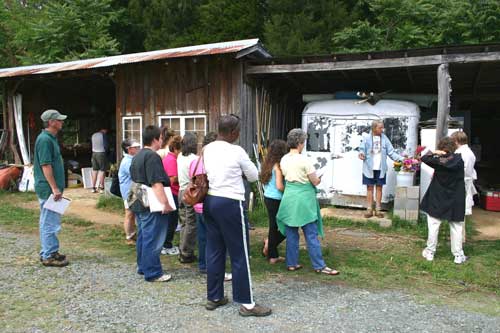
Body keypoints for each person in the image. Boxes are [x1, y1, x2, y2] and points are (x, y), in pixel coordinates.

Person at [203, 114, 271, 317]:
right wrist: (238, 172)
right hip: (231, 202)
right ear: (232, 132)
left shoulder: (208, 148)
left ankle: (214, 297)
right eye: (238, 130)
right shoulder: (237, 151)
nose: (239, 134)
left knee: (214, 250)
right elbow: (252, 176)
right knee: (240, 253)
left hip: (210, 200)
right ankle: (247, 303)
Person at [277, 128, 339, 276]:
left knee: (292, 233)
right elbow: (315, 181)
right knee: (310, 233)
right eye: (303, 142)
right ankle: (319, 265)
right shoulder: (304, 160)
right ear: (299, 143)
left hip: (289, 197)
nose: (303, 144)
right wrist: (319, 179)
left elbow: (285, 176)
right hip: (303, 198)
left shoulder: (284, 159)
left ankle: (291, 263)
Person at [129, 125, 174, 282]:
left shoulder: (137, 155)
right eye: (161, 137)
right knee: (153, 238)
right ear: (156, 139)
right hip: (151, 203)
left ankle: (143, 266)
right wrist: (165, 203)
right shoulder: (152, 157)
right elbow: (156, 183)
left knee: (143, 235)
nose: (162, 140)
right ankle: (153, 272)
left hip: (139, 201)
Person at [420, 137, 468, 264]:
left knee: (434, 224)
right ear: (454, 147)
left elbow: (424, 158)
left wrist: (436, 152)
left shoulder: (436, 161)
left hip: (438, 197)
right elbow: (451, 160)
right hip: (455, 197)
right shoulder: (459, 159)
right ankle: (458, 255)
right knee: (456, 227)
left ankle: (430, 252)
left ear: (441, 148)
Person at [34, 109, 69, 267]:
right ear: (51, 122)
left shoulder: (50, 138)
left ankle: (49, 251)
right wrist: (54, 188)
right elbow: (45, 165)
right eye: (59, 120)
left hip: (50, 188)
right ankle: (49, 255)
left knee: (48, 220)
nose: (61, 122)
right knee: (50, 222)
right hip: (49, 189)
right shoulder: (45, 140)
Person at [358, 120, 403, 218]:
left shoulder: (385, 139)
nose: (382, 129)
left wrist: (403, 159)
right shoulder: (366, 138)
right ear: (374, 128)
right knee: (369, 188)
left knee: (379, 188)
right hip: (368, 168)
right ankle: (369, 209)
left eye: (382, 127)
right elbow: (361, 150)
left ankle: (378, 209)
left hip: (381, 168)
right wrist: (361, 154)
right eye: (380, 128)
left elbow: (391, 152)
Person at [189, 132, 218, 273]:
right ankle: (212, 264)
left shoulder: (196, 161)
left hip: (197, 203)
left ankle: (202, 264)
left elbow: (191, 178)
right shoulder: (213, 161)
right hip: (210, 202)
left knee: (202, 237)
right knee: (214, 236)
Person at [260, 139, 288, 264]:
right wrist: (289, 191)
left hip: (268, 197)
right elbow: (279, 186)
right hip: (277, 199)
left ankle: (272, 253)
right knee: (286, 228)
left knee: (273, 226)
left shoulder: (267, 164)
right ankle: (270, 248)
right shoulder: (278, 166)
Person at [451, 131, 478, 242]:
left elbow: (459, 170)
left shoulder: (461, 153)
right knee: (460, 213)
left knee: (458, 214)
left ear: (456, 141)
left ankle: (459, 240)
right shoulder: (469, 152)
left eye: (453, 140)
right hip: (465, 183)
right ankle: (460, 238)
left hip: (461, 184)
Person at [177, 132, 199, 263]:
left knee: (184, 222)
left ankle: (182, 249)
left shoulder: (180, 156)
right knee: (191, 223)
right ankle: (186, 253)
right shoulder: (194, 159)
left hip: (180, 191)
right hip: (190, 192)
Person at [161, 135, 182, 256]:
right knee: (172, 221)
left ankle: (166, 243)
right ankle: (166, 245)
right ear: (176, 149)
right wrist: (183, 177)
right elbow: (172, 179)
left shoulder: (167, 158)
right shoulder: (172, 160)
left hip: (170, 192)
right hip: (172, 192)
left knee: (170, 221)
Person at [118, 139, 141, 245]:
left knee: (132, 213)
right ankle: (129, 236)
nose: (138, 149)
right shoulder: (127, 162)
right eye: (135, 147)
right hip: (128, 192)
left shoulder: (132, 159)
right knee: (129, 213)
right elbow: (135, 175)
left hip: (132, 191)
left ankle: (132, 234)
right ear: (129, 149)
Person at [91, 127, 110, 193]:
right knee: (102, 170)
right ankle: (101, 188)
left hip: (94, 153)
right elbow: (106, 145)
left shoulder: (93, 135)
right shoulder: (103, 135)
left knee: (94, 170)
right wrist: (108, 152)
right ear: (103, 129)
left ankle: (93, 187)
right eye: (106, 131)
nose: (106, 132)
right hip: (101, 153)